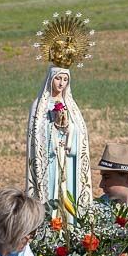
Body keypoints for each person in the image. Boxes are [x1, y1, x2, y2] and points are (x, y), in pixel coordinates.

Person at [26, 66, 92, 213]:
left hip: (67, 156)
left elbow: (80, 132)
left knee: (68, 190)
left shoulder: (71, 106)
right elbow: (37, 134)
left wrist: (70, 130)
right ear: (50, 79)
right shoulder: (39, 106)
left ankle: (71, 225)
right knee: (51, 190)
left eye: (65, 79)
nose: (61, 83)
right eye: (58, 78)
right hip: (49, 157)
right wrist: (53, 127)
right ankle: (49, 221)